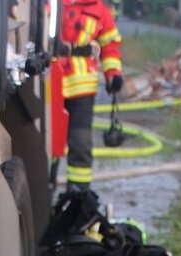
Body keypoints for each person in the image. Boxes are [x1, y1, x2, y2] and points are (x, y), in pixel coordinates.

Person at [56, 0, 122, 191]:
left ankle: (79, 196)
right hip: (50, 86)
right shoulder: (50, 4)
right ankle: (44, 195)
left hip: (82, 89)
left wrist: (113, 75)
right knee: (49, 145)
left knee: (80, 145)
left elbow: (110, 46)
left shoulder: (99, 9)